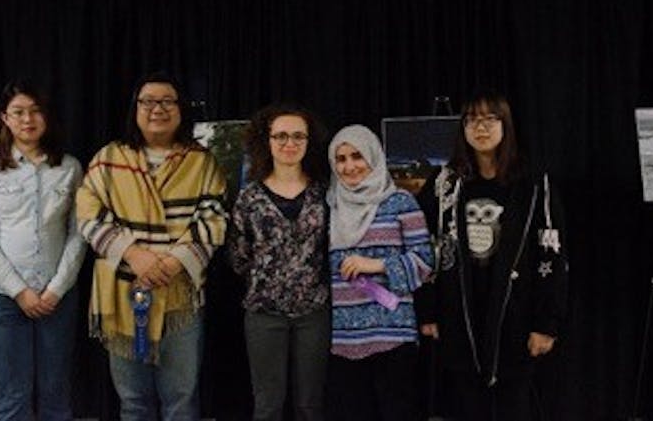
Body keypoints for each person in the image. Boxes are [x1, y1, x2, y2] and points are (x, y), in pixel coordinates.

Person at [76, 72, 227, 421]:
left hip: (181, 297)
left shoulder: (201, 161)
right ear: (135, 109)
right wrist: (133, 254)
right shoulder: (108, 158)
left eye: (167, 101)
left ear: (180, 109)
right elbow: (88, 214)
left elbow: (214, 218)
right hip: (122, 295)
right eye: (148, 101)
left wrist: (174, 262)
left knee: (182, 400)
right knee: (133, 402)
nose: (157, 108)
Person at [417, 90, 568, 421]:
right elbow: (424, 246)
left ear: (506, 125)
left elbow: (552, 253)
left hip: (516, 313)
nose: (480, 128)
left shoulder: (534, 184)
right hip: (460, 314)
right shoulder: (445, 182)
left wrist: (547, 323)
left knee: (514, 405)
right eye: (471, 119)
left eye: (489, 119)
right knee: (467, 406)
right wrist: (427, 311)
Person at [0, 79, 85, 421]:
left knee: (56, 393)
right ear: (5, 118)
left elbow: (78, 235)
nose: (27, 119)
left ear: (46, 116)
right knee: (11, 397)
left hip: (56, 298)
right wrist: (19, 291)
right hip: (2, 298)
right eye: (18, 112)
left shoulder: (70, 167)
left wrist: (56, 289)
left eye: (35, 111)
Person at [228, 104, 330, 421]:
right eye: (281, 136)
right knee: (268, 403)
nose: (290, 143)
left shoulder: (324, 192)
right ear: (267, 140)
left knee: (310, 404)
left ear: (309, 141)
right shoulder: (249, 197)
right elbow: (238, 256)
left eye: (298, 136)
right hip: (263, 313)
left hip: (313, 311)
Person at [326, 124, 434, 421]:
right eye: (341, 158)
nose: (349, 166)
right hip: (342, 339)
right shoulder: (328, 207)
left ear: (374, 157)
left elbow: (425, 261)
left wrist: (378, 264)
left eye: (358, 156)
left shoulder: (400, 202)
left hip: (393, 334)